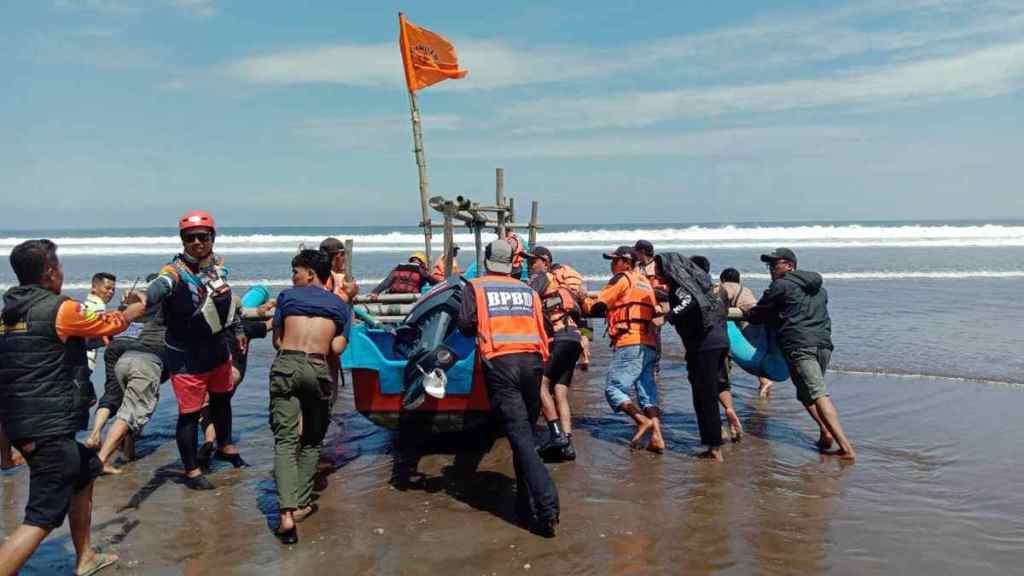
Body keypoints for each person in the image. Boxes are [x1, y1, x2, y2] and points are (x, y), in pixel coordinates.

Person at [0, 239, 146, 576]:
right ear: (51, 273)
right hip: (48, 429)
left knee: (86, 470)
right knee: (42, 518)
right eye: (60, 265)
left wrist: (5, 449)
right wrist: (132, 312)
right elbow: (108, 325)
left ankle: (85, 558)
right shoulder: (59, 309)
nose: (62, 272)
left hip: (24, 424)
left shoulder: (7, 315)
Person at [458, 239, 559, 537]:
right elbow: (544, 328)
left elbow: (465, 325)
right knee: (523, 434)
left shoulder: (475, 287)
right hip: (533, 364)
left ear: (487, 260)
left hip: (501, 365)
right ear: (511, 262)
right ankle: (524, 504)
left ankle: (547, 503)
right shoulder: (528, 290)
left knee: (520, 436)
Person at [144, 210, 246, 490]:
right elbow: (160, 286)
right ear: (183, 241)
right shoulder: (174, 272)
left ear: (213, 238)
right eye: (191, 238)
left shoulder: (216, 266)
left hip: (216, 350)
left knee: (222, 401)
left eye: (203, 237)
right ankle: (191, 471)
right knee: (189, 415)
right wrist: (143, 298)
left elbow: (227, 303)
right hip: (186, 356)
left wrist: (237, 330)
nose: (198, 242)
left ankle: (225, 446)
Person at [270, 249, 349, 544]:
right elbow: (337, 349)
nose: (293, 277)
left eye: (296, 271)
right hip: (317, 367)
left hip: (287, 364)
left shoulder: (287, 297)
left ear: (311, 274)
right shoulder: (341, 306)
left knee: (285, 439)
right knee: (313, 439)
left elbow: (277, 341)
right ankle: (302, 503)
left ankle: (286, 515)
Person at [748, 248, 855, 460]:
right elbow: (800, 310)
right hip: (823, 345)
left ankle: (846, 448)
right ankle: (825, 433)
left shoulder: (780, 285)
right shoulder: (819, 289)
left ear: (789, 266)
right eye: (769, 265)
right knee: (805, 393)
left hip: (799, 346)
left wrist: (751, 314)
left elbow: (758, 314)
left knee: (817, 393)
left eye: (774, 263)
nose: (770, 268)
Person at [583, 246, 664, 453]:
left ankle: (641, 420)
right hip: (650, 344)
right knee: (647, 394)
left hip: (629, 342)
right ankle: (657, 436)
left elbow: (598, 305)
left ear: (626, 263)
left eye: (615, 260)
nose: (612, 264)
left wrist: (583, 298)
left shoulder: (622, 278)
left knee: (614, 389)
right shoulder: (645, 282)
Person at [660, 254, 736, 460]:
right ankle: (717, 436)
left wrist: (669, 315)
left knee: (705, 397)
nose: (658, 273)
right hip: (720, 341)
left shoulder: (682, 288)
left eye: (660, 269)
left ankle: (715, 448)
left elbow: (688, 302)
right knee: (712, 390)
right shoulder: (706, 287)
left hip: (704, 346)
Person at [94, 281, 169, 475]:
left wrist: (134, 295)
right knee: (131, 413)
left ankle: (128, 452)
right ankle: (102, 459)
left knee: (126, 404)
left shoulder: (151, 313)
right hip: (146, 362)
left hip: (125, 359)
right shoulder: (173, 314)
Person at [526, 246, 584, 462]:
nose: (529, 265)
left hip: (559, 339)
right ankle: (568, 444)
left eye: (533, 262)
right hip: (574, 339)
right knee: (559, 391)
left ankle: (556, 434)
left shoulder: (541, 278)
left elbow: (525, 297)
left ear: (546, 262)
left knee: (540, 385)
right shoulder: (564, 286)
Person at [714, 267, 776, 398]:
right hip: (757, 319)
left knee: (731, 352)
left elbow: (718, 303)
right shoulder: (745, 288)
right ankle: (764, 382)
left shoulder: (725, 287)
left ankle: (726, 383)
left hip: (746, 322)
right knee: (755, 354)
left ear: (723, 279)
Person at [634, 240, 669, 374]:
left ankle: (654, 365)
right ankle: (642, 363)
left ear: (642, 252)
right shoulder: (637, 266)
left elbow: (668, 287)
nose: (635, 254)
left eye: (636, 251)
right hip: (641, 304)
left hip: (658, 305)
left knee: (654, 333)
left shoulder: (659, 266)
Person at [369, 251, 437, 298]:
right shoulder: (420, 269)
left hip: (393, 296)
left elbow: (386, 282)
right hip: (410, 298)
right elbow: (433, 281)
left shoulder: (399, 267)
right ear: (422, 262)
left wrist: (375, 292)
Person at [319, 237, 358, 302]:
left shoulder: (315, 273)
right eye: (344, 255)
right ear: (339, 255)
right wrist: (348, 296)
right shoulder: (336, 278)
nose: (345, 259)